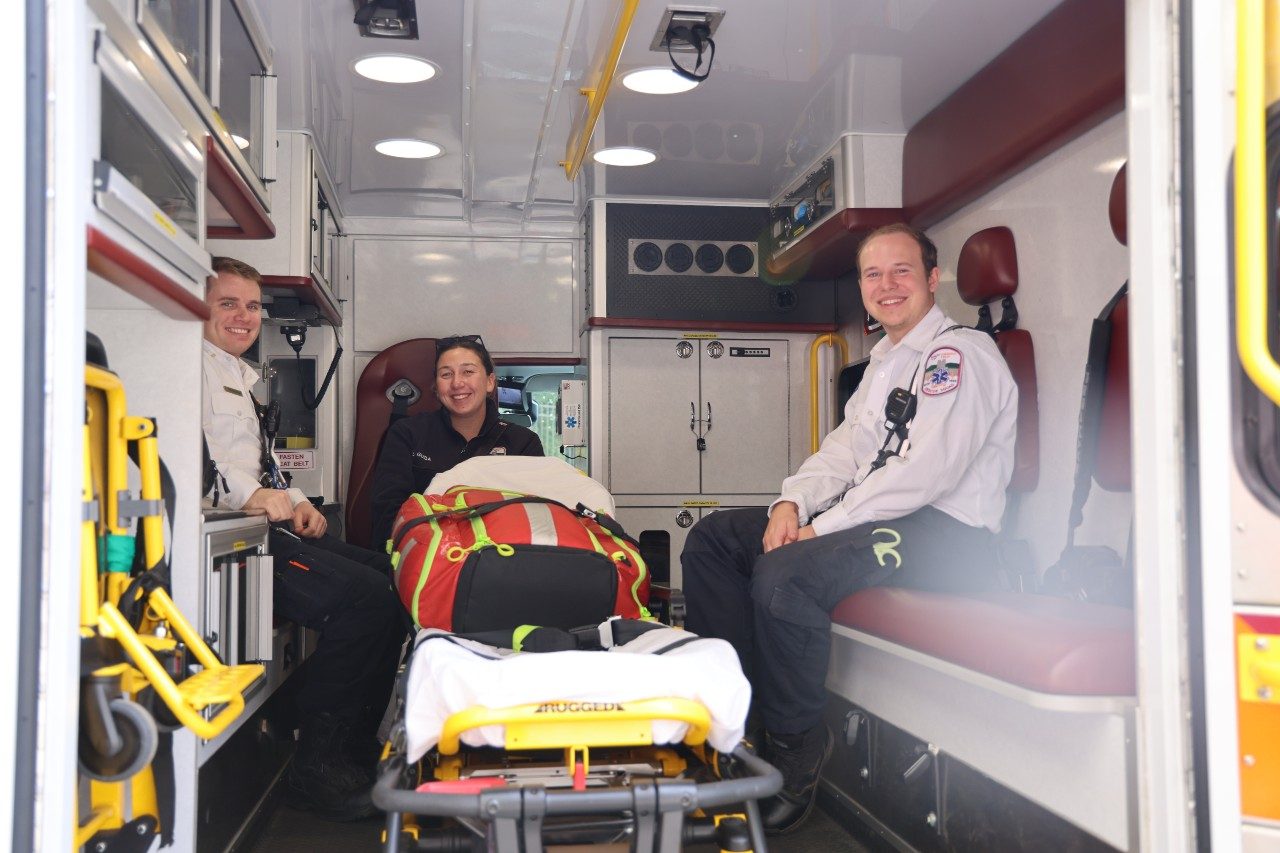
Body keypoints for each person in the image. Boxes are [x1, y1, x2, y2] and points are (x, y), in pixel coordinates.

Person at [680, 224, 1018, 834]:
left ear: (932, 279)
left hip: (945, 537)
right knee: (716, 540)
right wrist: (791, 506)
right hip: (882, 521)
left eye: (902, 271)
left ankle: (796, 751)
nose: (886, 286)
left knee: (785, 575)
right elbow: (841, 453)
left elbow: (925, 475)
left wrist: (821, 528)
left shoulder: (961, 356)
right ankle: (734, 727)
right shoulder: (885, 364)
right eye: (872, 274)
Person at [201, 256, 407, 822]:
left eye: (251, 306)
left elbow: (259, 462)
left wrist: (298, 503)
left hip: (264, 525)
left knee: (390, 578)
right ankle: (314, 765)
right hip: (228, 539)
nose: (244, 317)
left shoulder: (242, 374)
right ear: (198, 306)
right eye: (229, 304)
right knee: (362, 600)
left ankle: (353, 743)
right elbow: (200, 462)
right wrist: (251, 498)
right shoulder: (183, 367)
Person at [368, 334, 544, 550]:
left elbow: (535, 520)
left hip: (500, 563)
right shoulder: (407, 434)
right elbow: (387, 515)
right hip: (425, 559)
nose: (457, 383)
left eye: (468, 372)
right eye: (446, 374)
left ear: (490, 382)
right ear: (436, 386)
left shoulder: (524, 443)